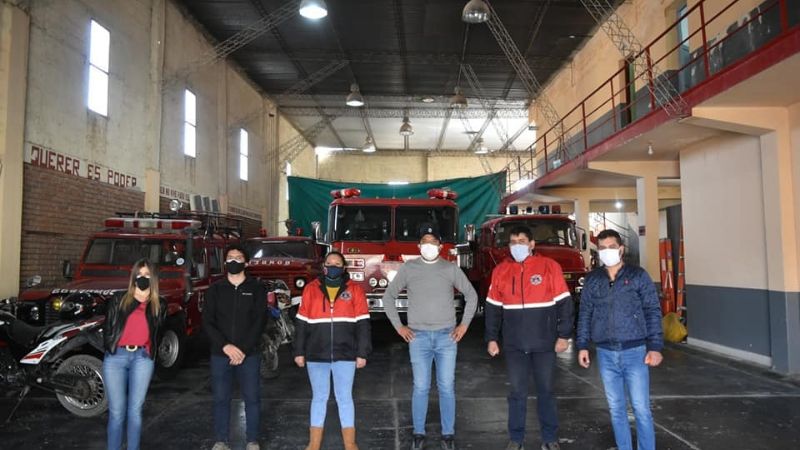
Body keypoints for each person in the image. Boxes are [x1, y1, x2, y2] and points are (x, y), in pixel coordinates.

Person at [383, 226, 479, 450]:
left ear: (440, 246)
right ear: (419, 246)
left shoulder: (450, 268)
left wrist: (464, 325)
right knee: (421, 387)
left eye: (433, 241)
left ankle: (448, 434)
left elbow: (472, 295)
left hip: (447, 337)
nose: (428, 245)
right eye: (425, 241)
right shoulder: (409, 268)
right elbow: (388, 297)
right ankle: (418, 432)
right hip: (418, 338)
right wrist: (399, 327)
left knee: (446, 387)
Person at [484, 225, 574, 450]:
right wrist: (492, 338)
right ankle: (516, 439)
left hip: (545, 344)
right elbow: (492, 308)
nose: (517, 246)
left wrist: (564, 335)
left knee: (546, 392)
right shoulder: (500, 271)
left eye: (522, 242)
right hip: (514, 345)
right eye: (513, 242)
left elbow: (565, 304)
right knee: (516, 393)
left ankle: (550, 439)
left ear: (532, 244)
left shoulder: (549, 267)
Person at [576, 229, 663, 450]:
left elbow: (652, 310)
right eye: (602, 248)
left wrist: (655, 346)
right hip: (605, 353)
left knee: (641, 409)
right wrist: (582, 345)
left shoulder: (638, 276)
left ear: (621, 249)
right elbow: (585, 312)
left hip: (636, 352)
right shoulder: (593, 279)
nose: (607, 251)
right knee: (616, 409)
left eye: (612, 247)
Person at [293, 251, 371, 450]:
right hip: (316, 354)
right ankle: (314, 443)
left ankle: (350, 444)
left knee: (345, 398)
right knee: (319, 397)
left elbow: (363, 325)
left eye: (337, 263)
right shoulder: (310, 289)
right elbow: (301, 324)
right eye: (329, 263)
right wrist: (299, 351)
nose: (333, 266)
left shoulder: (355, 290)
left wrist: (362, 353)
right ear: (324, 267)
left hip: (346, 354)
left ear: (344, 267)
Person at [203, 244, 268, 450]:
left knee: (252, 398)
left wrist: (243, 350)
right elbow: (208, 322)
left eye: (238, 258)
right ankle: (221, 441)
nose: (233, 261)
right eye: (230, 257)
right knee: (221, 399)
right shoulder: (215, 289)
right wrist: (225, 346)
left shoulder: (257, 288)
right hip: (220, 354)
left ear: (246, 263)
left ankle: (252, 440)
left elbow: (259, 321)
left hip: (249, 354)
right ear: (225, 262)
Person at [102, 258, 166, 450]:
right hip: (116, 358)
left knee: (135, 411)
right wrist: (110, 349)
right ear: (133, 277)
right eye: (139, 274)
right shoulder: (119, 299)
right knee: (116, 412)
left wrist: (150, 352)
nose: (142, 278)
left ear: (153, 278)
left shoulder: (159, 304)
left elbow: (158, 333)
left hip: (142, 359)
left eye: (147, 274)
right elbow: (108, 328)